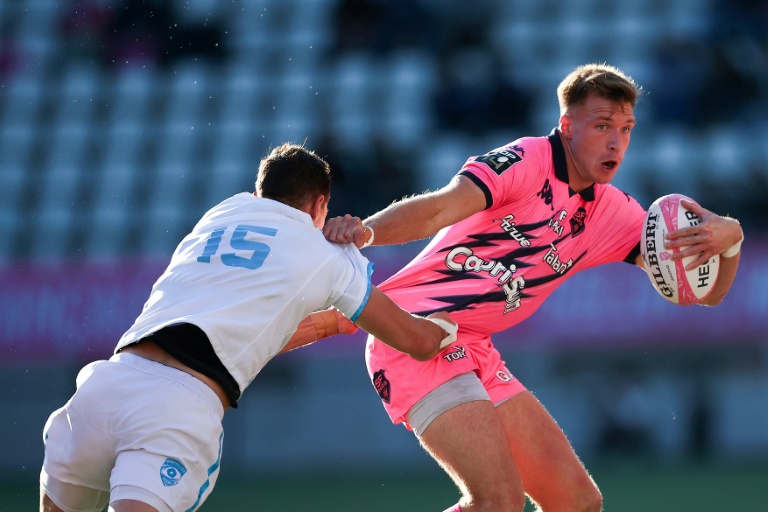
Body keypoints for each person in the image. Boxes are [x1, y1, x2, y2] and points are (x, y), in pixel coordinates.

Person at [323, 63, 744, 512]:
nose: (616, 141)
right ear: (566, 126)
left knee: (577, 502)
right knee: (497, 502)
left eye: (626, 128)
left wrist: (731, 238)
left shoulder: (614, 214)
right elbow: (437, 210)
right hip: (414, 334)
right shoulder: (525, 160)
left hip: (473, 348)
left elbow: (704, 293)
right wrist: (363, 233)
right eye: (602, 125)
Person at [39, 142, 458, 512]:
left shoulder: (221, 214)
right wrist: (446, 324)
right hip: (177, 405)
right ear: (320, 204)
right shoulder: (328, 254)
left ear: (260, 192)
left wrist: (327, 325)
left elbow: (238, 334)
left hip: (106, 384)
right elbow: (416, 342)